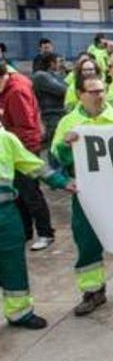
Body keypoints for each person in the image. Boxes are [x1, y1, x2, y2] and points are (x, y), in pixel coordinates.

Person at [52, 74, 113, 315]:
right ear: (80, 95)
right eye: (93, 91)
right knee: (87, 242)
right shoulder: (68, 122)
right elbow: (56, 157)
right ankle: (93, 291)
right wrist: (66, 147)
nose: (99, 95)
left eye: (101, 90)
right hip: (87, 194)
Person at [0, 127, 74, 329]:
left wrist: (61, 182)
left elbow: (34, 166)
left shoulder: (5, 139)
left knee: (13, 264)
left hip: (6, 215)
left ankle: (20, 313)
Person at [0, 60, 56, 251]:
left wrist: (6, 136)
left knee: (30, 193)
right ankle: (25, 231)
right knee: (18, 194)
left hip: (24, 147)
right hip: (15, 146)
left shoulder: (16, 92)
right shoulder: (10, 86)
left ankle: (45, 232)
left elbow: (26, 126)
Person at [30, 53, 68, 151]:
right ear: (52, 63)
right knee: (53, 150)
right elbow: (63, 90)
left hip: (59, 115)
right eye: (59, 61)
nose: (62, 64)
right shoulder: (41, 76)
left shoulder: (54, 75)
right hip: (50, 117)